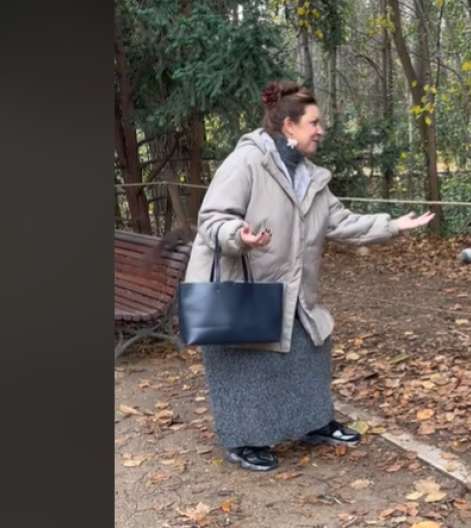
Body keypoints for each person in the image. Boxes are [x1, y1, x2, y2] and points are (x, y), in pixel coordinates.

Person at [182, 81, 434, 472]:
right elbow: (211, 220)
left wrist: (393, 225)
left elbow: (343, 222)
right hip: (242, 291)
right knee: (246, 367)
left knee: (310, 348)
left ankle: (314, 423)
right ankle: (243, 440)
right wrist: (239, 235)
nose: (321, 130)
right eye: (314, 122)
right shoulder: (246, 162)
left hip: (293, 287)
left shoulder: (311, 178)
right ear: (289, 126)